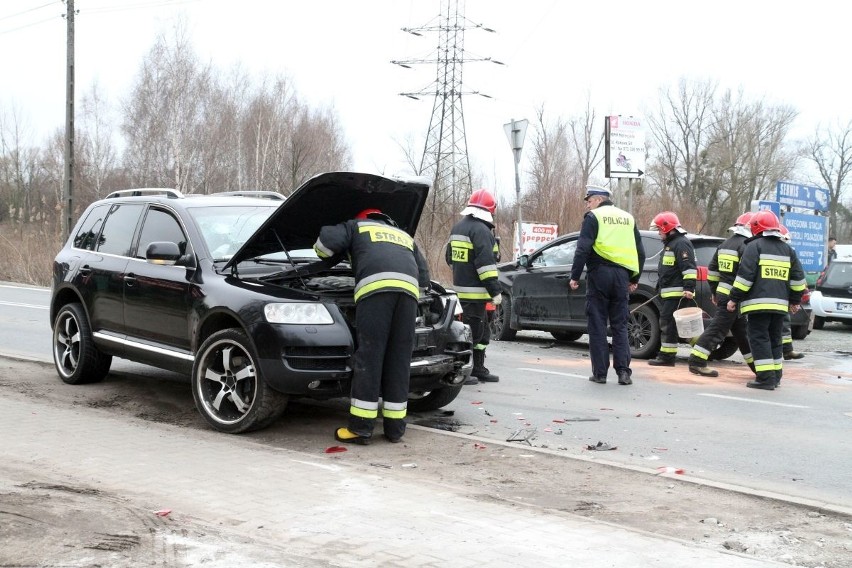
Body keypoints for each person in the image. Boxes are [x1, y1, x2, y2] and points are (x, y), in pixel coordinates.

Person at [314, 208, 430, 445]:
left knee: (370, 356)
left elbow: (325, 245)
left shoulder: (356, 226)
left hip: (376, 292)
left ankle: (360, 428)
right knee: (399, 359)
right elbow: (425, 278)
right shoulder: (403, 235)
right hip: (409, 295)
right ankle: (395, 429)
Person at [569, 185, 645, 385]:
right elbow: (640, 252)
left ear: (598, 199)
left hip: (599, 274)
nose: (588, 205)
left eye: (589, 200)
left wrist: (575, 276)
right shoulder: (628, 218)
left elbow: (583, 248)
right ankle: (624, 373)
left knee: (598, 324)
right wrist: (634, 279)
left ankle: (600, 374)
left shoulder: (593, 217)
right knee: (620, 326)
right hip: (621, 277)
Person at [726, 210, 806, 390]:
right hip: (780, 307)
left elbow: (745, 278)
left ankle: (765, 379)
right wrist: (794, 301)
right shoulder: (787, 249)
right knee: (775, 339)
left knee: (759, 339)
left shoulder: (754, 247)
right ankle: (776, 376)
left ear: (756, 228)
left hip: (758, 305)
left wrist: (733, 299)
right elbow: (798, 279)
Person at [687, 213, 755, 377]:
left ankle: (757, 367)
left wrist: (715, 291)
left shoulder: (725, 244)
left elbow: (712, 271)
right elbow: (746, 275)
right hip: (734, 298)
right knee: (717, 329)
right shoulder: (746, 247)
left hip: (724, 295)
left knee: (742, 334)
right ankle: (697, 361)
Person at [446, 189, 502, 385]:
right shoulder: (482, 231)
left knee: (481, 332)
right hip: (476, 294)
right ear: (490, 211)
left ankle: (478, 368)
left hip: (461, 290)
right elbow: (486, 266)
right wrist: (495, 291)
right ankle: (464, 371)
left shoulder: (457, 228)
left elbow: (449, 258)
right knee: (473, 333)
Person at [647, 211, 697, 367]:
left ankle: (667, 358)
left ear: (667, 228)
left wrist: (689, 288)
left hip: (678, 294)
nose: (658, 233)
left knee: (669, 324)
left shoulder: (681, 243)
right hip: (670, 293)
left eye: (659, 230)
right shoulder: (671, 244)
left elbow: (688, 268)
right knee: (677, 326)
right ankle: (700, 349)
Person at [779, 225, 805, 360]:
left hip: (782, 293)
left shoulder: (788, 252)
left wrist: (795, 298)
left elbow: (796, 276)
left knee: (784, 322)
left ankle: (787, 350)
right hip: (772, 293)